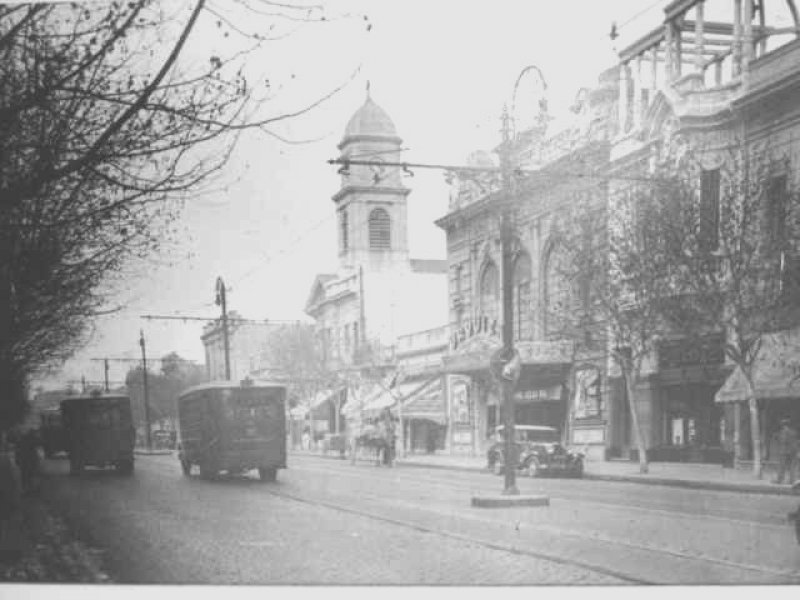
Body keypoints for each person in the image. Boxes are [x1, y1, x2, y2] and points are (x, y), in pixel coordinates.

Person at [773, 418, 798, 484]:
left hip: (784, 452)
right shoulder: (794, 432)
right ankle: (792, 480)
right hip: (792, 452)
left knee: (782, 466)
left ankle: (780, 480)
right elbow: (795, 442)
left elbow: (781, 440)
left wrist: (777, 436)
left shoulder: (783, 433)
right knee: (791, 467)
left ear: (784, 425)